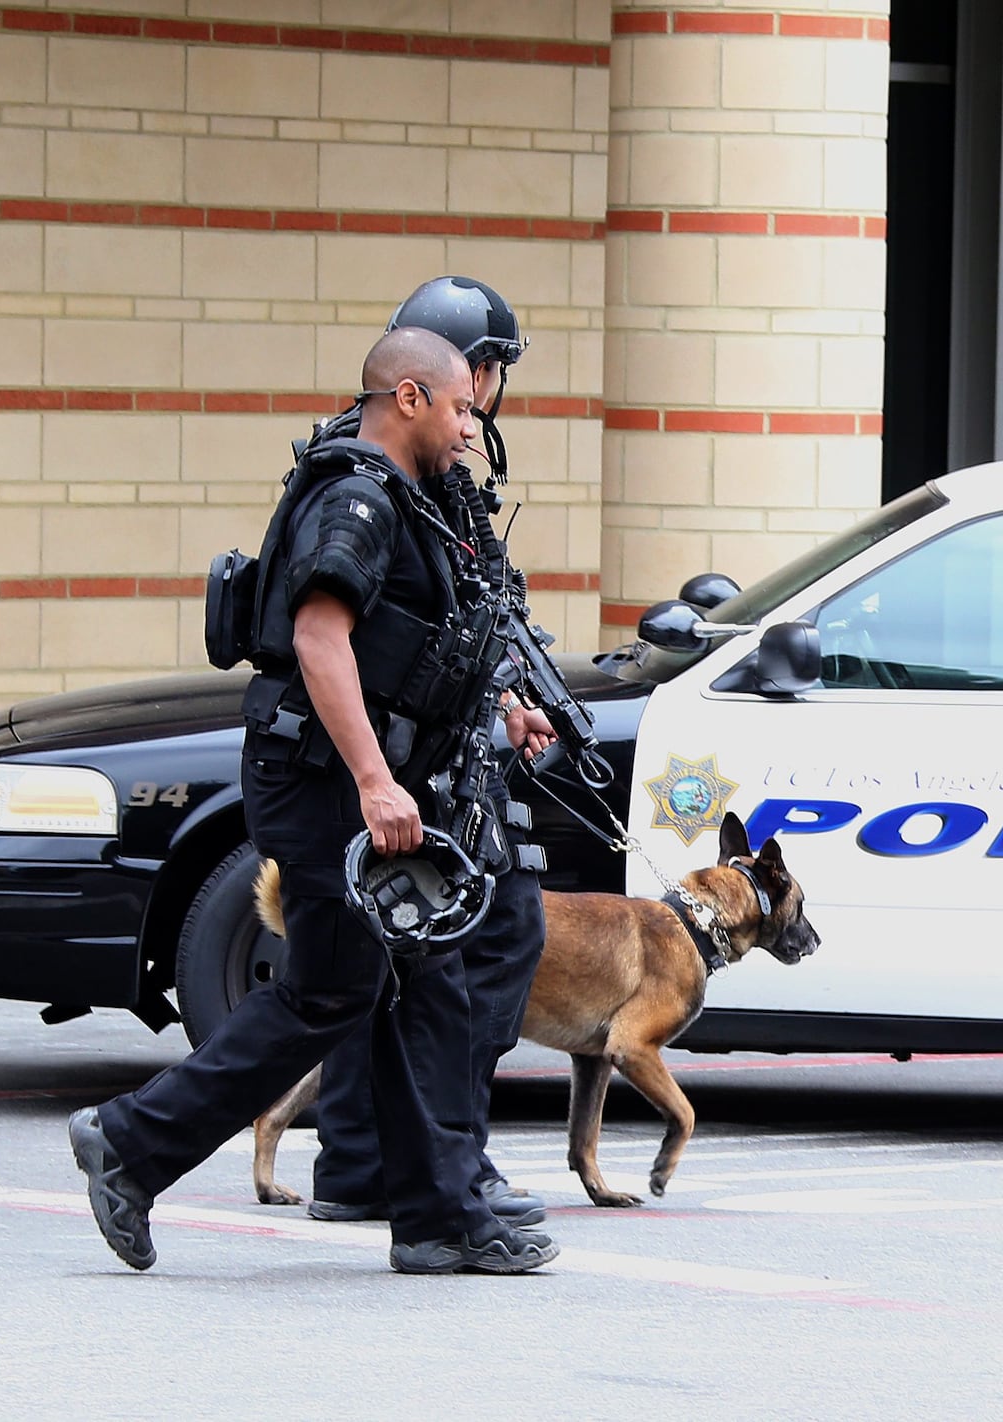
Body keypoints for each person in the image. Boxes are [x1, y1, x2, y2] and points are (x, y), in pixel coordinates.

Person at [68, 327, 558, 1275]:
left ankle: (422, 1213)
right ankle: (433, 1214)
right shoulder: (358, 499)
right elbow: (322, 639)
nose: (471, 426)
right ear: (409, 398)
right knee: (392, 985)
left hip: (349, 771)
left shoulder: (409, 500)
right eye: (460, 406)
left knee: (366, 989)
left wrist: (500, 700)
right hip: (329, 778)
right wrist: (377, 784)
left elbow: (413, 639)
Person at [301, 277, 552, 1229]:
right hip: (404, 756)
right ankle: (445, 1169)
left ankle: (373, 1164)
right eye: (479, 375)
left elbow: (456, 615)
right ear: (429, 382)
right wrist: (379, 774)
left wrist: (501, 697)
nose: (482, 400)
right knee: (481, 945)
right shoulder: (377, 480)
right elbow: (356, 631)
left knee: (391, 968)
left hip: (429, 742)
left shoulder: (428, 471)